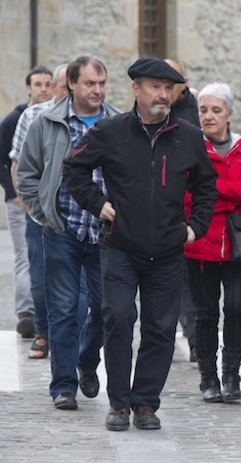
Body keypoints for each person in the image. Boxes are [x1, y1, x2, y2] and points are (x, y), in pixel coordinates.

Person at [63, 57, 217, 431]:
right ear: (136, 89)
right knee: (117, 318)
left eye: (168, 88)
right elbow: (74, 168)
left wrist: (195, 227)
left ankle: (145, 402)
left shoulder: (188, 136)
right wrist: (98, 204)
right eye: (154, 87)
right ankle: (118, 403)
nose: (162, 95)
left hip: (166, 251)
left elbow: (206, 186)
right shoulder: (110, 131)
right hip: (120, 248)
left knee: (160, 328)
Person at [16, 56, 120, 411]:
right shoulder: (47, 121)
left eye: (102, 83)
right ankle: (63, 385)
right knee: (62, 309)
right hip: (62, 228)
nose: (97, 90)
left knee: (107, 308)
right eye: (90, 83)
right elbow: (27, 170)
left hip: (107, 233)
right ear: (72, 84)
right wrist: (41, 210)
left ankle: (87, 361)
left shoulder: (118, 122)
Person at [186, 82, 241, 403]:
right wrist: (232, 189)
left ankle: (232, 374)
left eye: (216, 110)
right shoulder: (190, 148)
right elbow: (186, 197)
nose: (208, 116)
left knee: (235, 307)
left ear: (229, 113)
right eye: (203, 110)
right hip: (200, 243)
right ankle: (208, 378)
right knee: (205, 314)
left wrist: (213, 189)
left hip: (239, 243)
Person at [10, 63, 69, 359]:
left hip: (78, 213)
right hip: (40, 212)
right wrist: (26, 200)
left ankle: (72, 335)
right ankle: (44, 332)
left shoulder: (97, 117)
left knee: (79, 279)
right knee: (41, 273)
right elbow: (18, 162)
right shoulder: (33, 116)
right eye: (62, 85)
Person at [0, 65, 53, 339]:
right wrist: (15, 193)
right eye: (38, 84)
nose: (43, 88)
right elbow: (7, 160)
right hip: (19, 199)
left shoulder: (53, 116)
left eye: (48, 83)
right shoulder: (14, 120)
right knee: (25, 256)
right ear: (29, 88)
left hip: (44, 200)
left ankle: (43, 311)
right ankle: (26, 313)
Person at [165, 57, 200, 362]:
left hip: (187, 204)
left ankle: (193, 334)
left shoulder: (192, 114)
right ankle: (187, 330)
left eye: (170, 83)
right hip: (165, 206)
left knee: (187, 275)